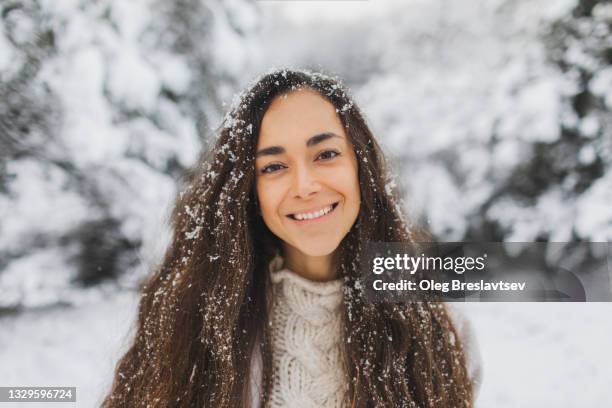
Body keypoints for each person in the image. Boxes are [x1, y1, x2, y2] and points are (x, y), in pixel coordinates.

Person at [102, 69, 482, 407]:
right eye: (274, 166)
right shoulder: (196, 322)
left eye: (326, 154)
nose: (304, 186)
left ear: (360, 165)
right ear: (248, 190)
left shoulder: (436, 329)